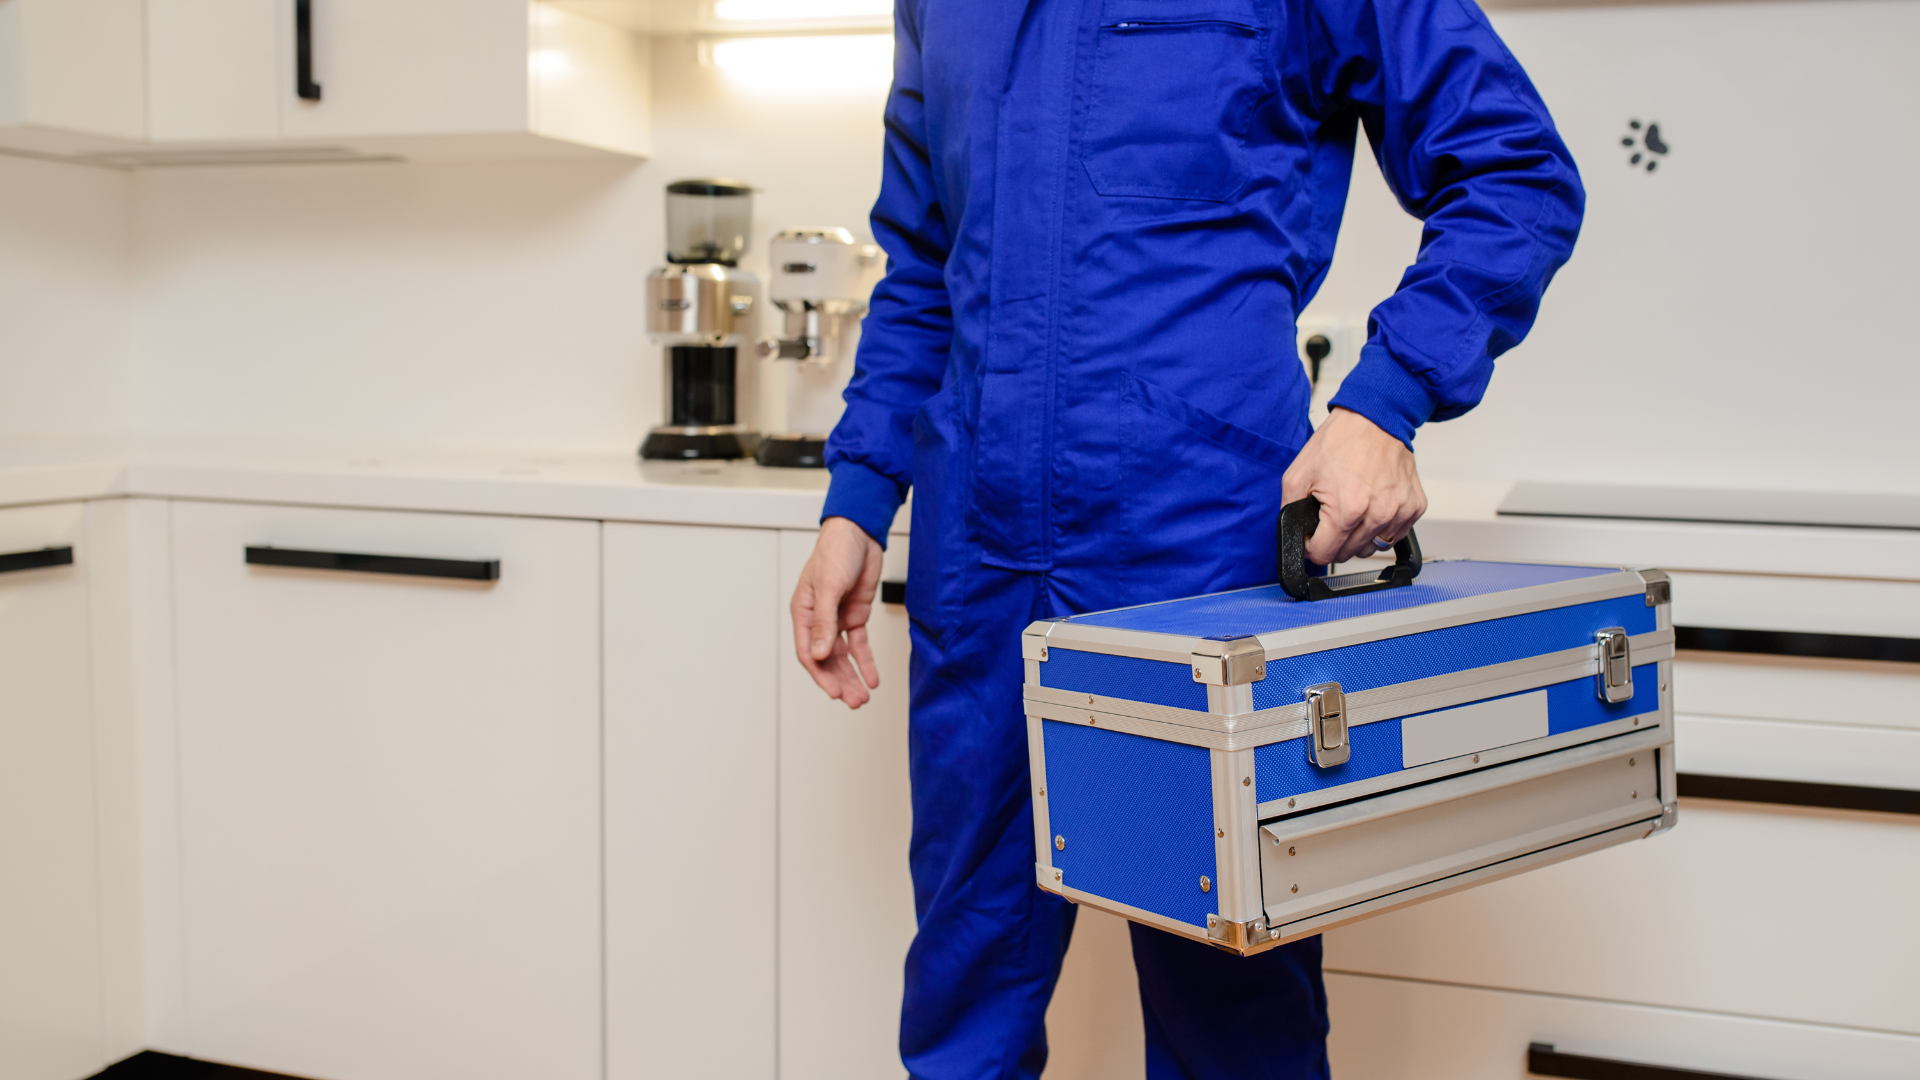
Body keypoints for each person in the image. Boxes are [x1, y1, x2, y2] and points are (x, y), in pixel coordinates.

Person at [790, 0, 1583, 1076]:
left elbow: (1516, 174)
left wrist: (1382, 403)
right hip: (976, 554)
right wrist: (859, 494)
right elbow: (925, 261)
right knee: (965, 985)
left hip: (1194, 553)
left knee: (1233, 1012)